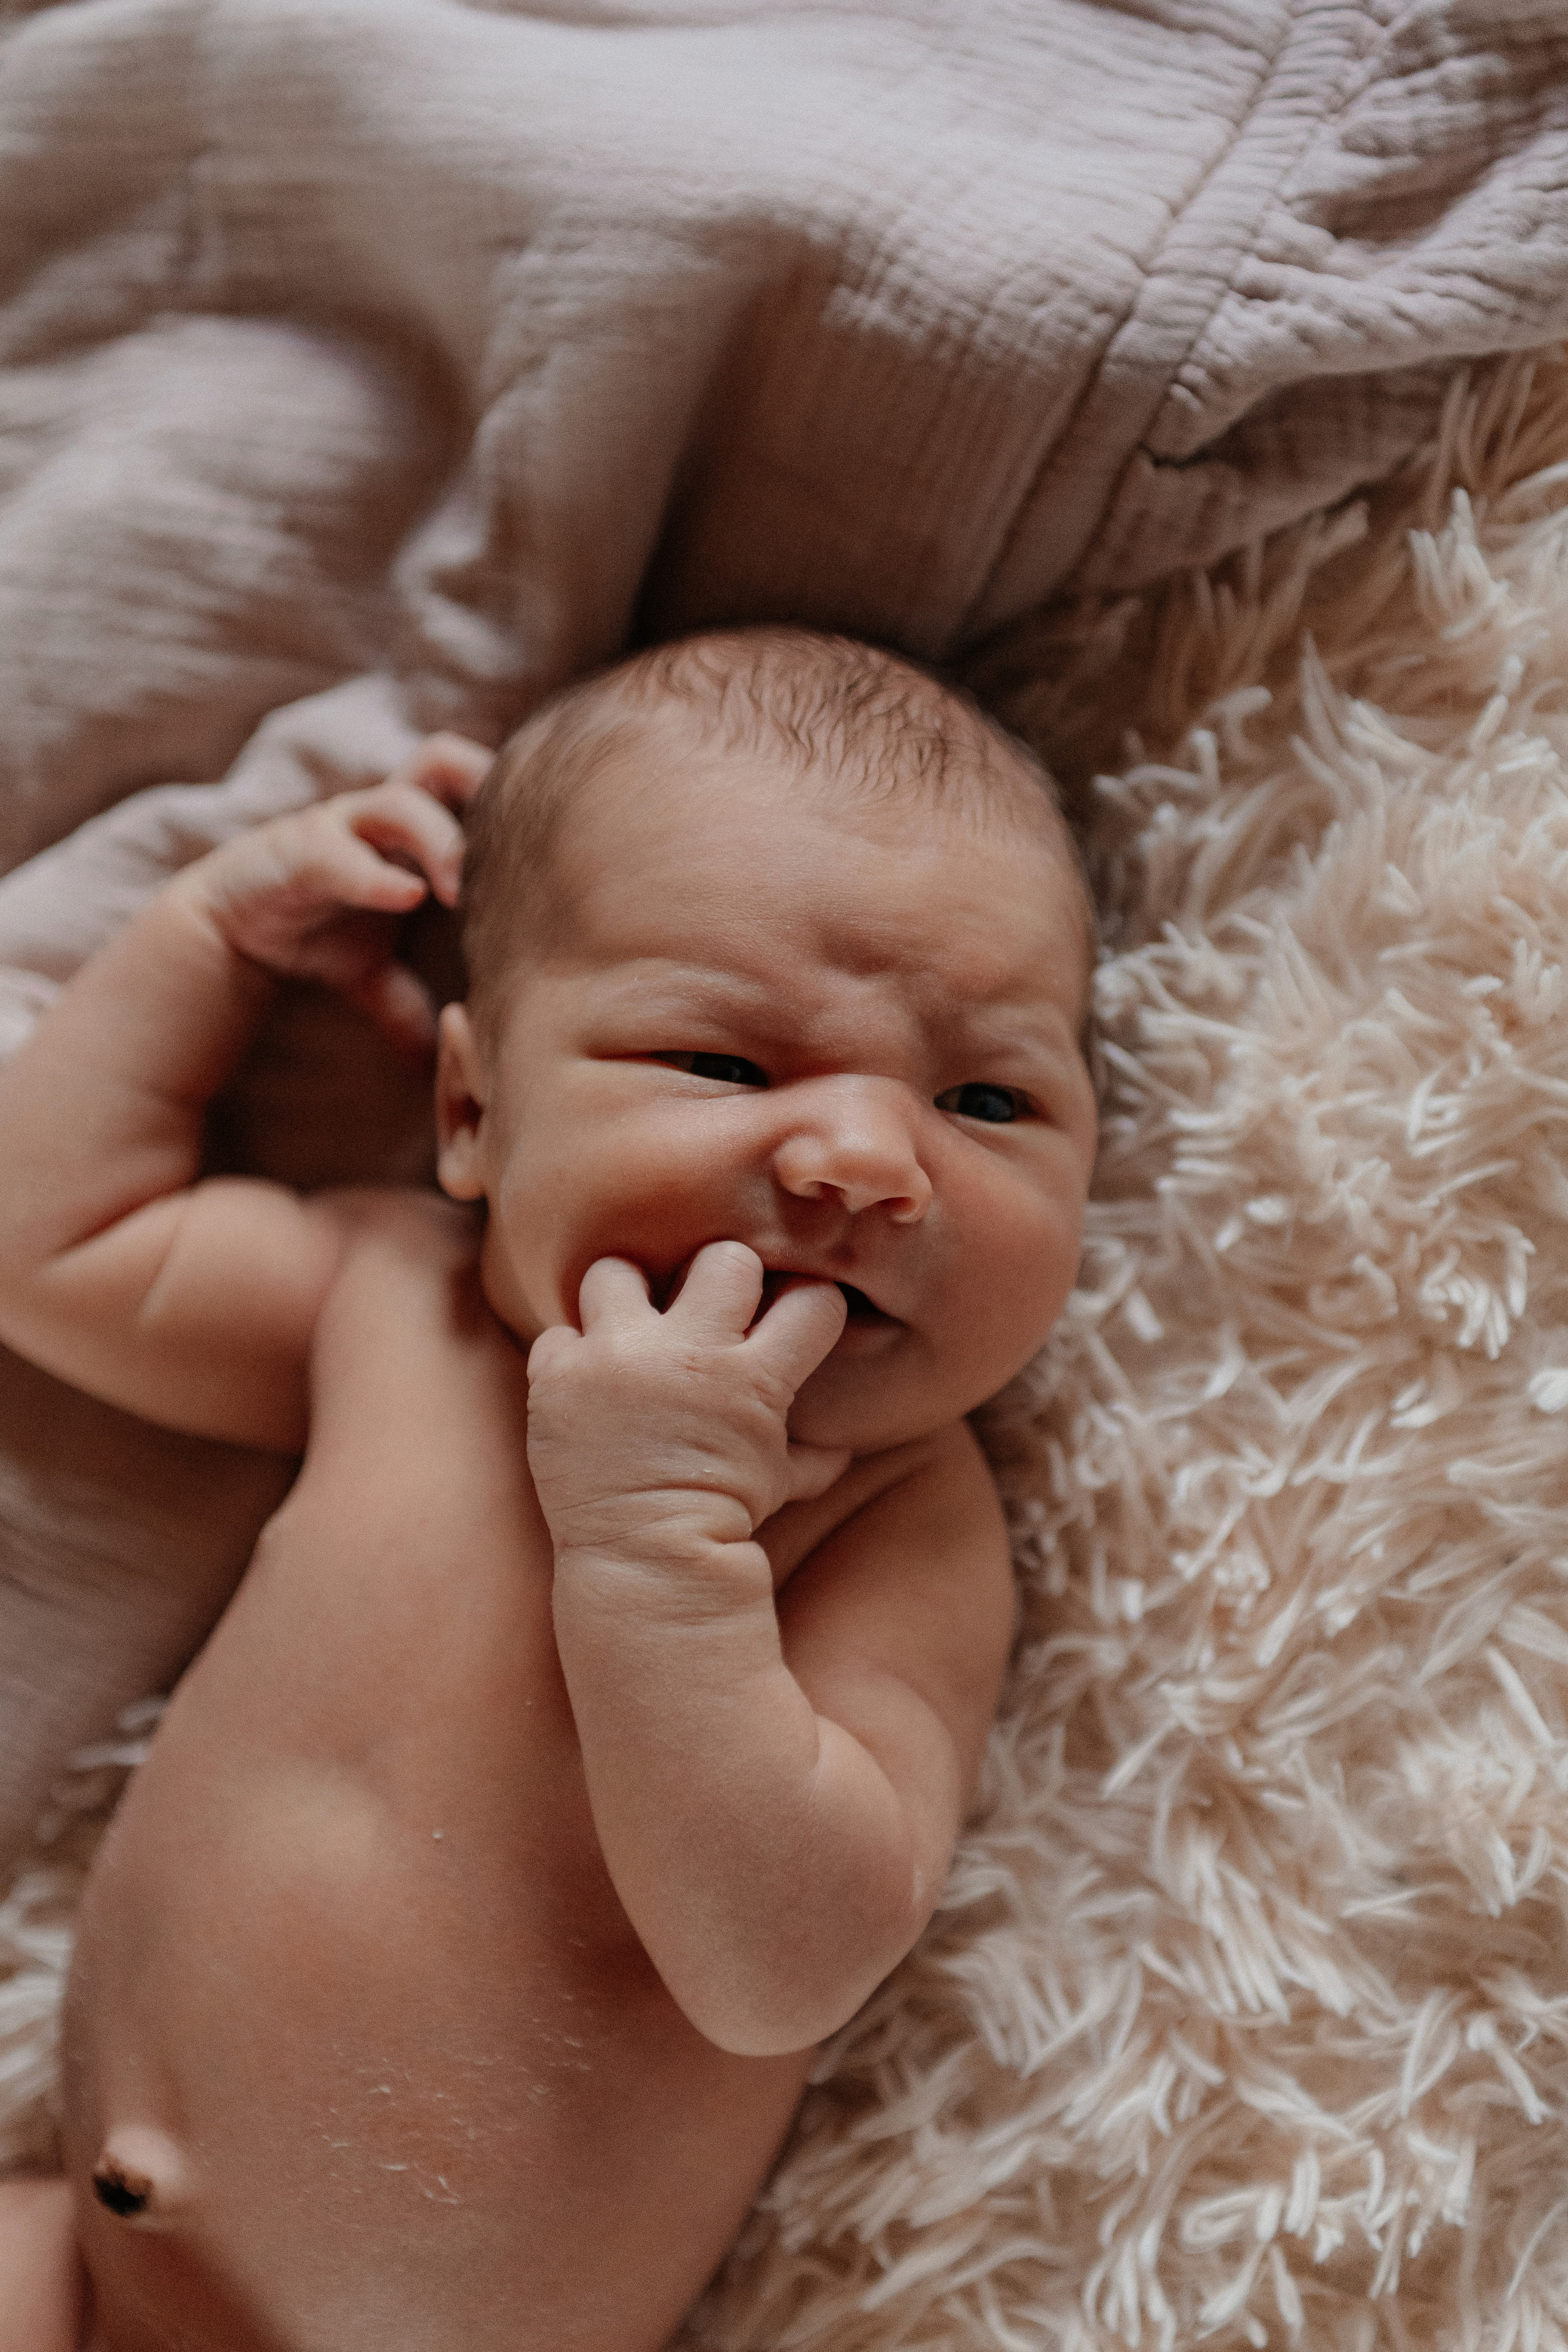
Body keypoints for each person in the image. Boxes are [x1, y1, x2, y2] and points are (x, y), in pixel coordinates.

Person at [0, 628, 1097, 2352]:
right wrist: (205, 940)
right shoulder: (396, 1308)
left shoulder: (892, 1516)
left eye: (989, 1097)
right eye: (726, 1067)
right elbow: (50, 1245)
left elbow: (783, 1966)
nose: (869, 1161)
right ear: (470, 1113)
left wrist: (663, 1554)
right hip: (74, 2269)